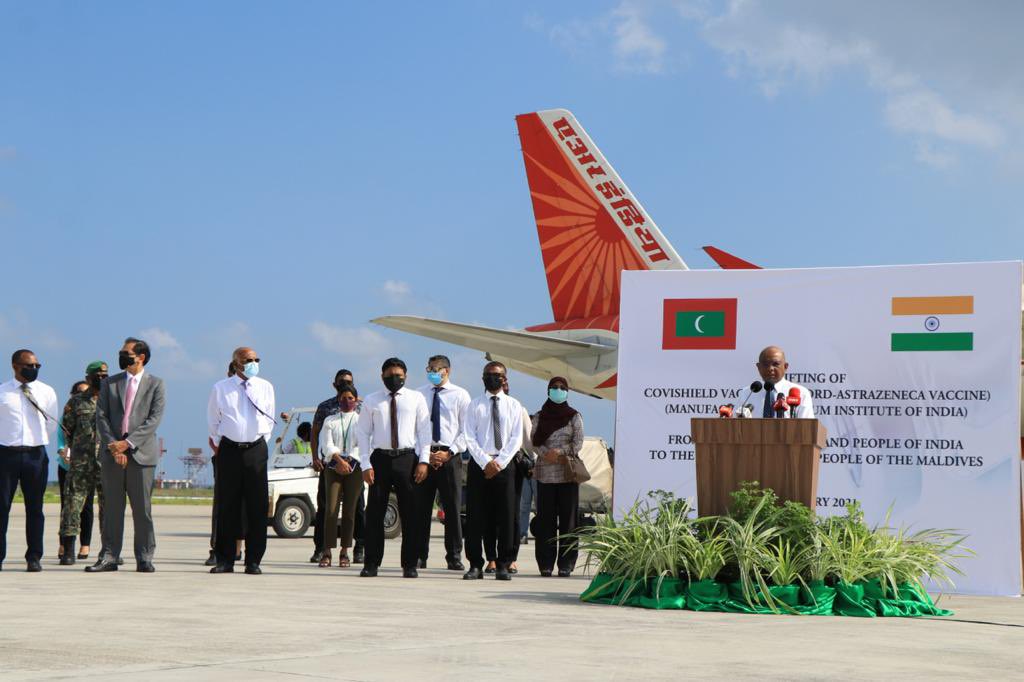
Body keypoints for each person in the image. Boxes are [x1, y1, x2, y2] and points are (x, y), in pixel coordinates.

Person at [90, 337, 165, 574]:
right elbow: (101, 416)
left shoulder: (156, 384)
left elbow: (153, 419)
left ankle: (144, 557)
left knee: (142, 511)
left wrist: (128, 444)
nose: (121, 357)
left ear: (140, 357)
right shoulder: (110, 383)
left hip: (141, 456)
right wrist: (114, 445)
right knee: (112, 510)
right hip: (112, 454)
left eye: (126, 353)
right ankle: (109, 556)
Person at [356, 357, 431, 578]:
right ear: (382, 376)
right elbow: (363, 433)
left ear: (405, 376)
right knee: (375, 513)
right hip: (380, 458)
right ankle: (371, 563)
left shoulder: (416, 398)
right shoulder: (372, 400)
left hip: (407, 458)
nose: (394, 379)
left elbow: (424, 431)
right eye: (390, 376)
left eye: (398, 375)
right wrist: (365, 463)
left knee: (411, 513)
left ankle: (410, 564)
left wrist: (424, 461)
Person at [207, 347, 275, 575]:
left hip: (256, 449)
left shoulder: (265, 387)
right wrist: (221, 443)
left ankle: (253, 560)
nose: (253, 363)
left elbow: (269, 418)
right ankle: (225, 559)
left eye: (256, 359)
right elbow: (213, 420)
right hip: (229, 450)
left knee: (257, 506)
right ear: (236, 363)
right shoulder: (221, 388)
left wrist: (260, 440)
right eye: (248, 360)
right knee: (228, 505)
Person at [461, 361, 523, 582]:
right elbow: (469, 436)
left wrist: (499, 462)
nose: (492, 378)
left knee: (506, 515)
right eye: (488, 374)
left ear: (504, 378)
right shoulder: (474, 405)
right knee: (476, 516)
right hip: (480, 465)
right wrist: (485, 461)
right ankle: (475, 564)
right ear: (482, 378)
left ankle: (503, 564)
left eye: (496, 375)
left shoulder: (514, 405)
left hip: (504, 466)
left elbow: (516, 438)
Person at [0, 349, 58, 572]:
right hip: (6, 454)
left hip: (35, 455)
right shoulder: (3, 391)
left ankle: (34, 557)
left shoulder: (46, 391)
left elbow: (51, 423)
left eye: (36, 366)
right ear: (15, 366)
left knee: (35, 508)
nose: (34, 369)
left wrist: (37, 441)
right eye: (29, 366)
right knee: (2, 507)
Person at [414, 355, 470, 571]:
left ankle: (454, 556)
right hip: (424, 456)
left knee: (452, 508)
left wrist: (449, 452)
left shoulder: (460, 395)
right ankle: (420, 555)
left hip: (450, 456)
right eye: (429, 368)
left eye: (436, 369)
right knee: (421, 509)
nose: (432, 373)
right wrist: (424, 454)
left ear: (447, 371)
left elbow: (466, 430)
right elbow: (413, 428)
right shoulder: (419, 394)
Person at [310, 369, 366, 564]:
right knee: (330, 510)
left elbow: (364, 443)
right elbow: (326, 443)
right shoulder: (329, 417)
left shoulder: (362, 418)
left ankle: (346, 551)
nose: (346, 401)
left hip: (354, 468)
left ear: (356, 399)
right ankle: (326, 551)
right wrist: (338, 460)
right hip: (333, 467)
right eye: (343, 398)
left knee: (352, 510)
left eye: (350, 398)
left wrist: (350, 460)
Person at [531, 376, 584, 577]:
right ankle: (545, 563)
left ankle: (566, 564)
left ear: (567, 392)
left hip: (568, 475)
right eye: (554, 387)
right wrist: (547, 454)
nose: (558, 390)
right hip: (545, 475)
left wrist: (560, 452)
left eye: (562, 387)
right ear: (548, 391)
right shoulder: (539, 416)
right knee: (545, 521)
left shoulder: (574, 416)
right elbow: (534, 441)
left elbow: (578, 442)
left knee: (569, 522)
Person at [58, 362, 108, 565]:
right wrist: (76, 448)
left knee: (109, 507)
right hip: (81, 462)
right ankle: (68, 549)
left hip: (106, 462)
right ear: (88, 378)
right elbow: (67, 428)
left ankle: (108, 550)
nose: (101, 379)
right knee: (72, 504)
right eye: (98, 376)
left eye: (105, 376)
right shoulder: (76, 402)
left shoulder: (113, 400)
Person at [56, 379, 89, 560]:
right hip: (67, 465)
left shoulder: (94, 412)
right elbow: (61, 438)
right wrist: (63, 451)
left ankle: (85, 544)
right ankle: (65, 545)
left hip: (88, 466)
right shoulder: (67, 414)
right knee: (67, 506)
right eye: (79, 392)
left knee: (87, 507)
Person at [753, 346, 815, 418]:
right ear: (758, 367)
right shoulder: (746, 394)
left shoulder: (801, 393)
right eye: (765, 364)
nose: (770, 368)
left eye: (775, 364)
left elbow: (806, 423)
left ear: (785, 366)